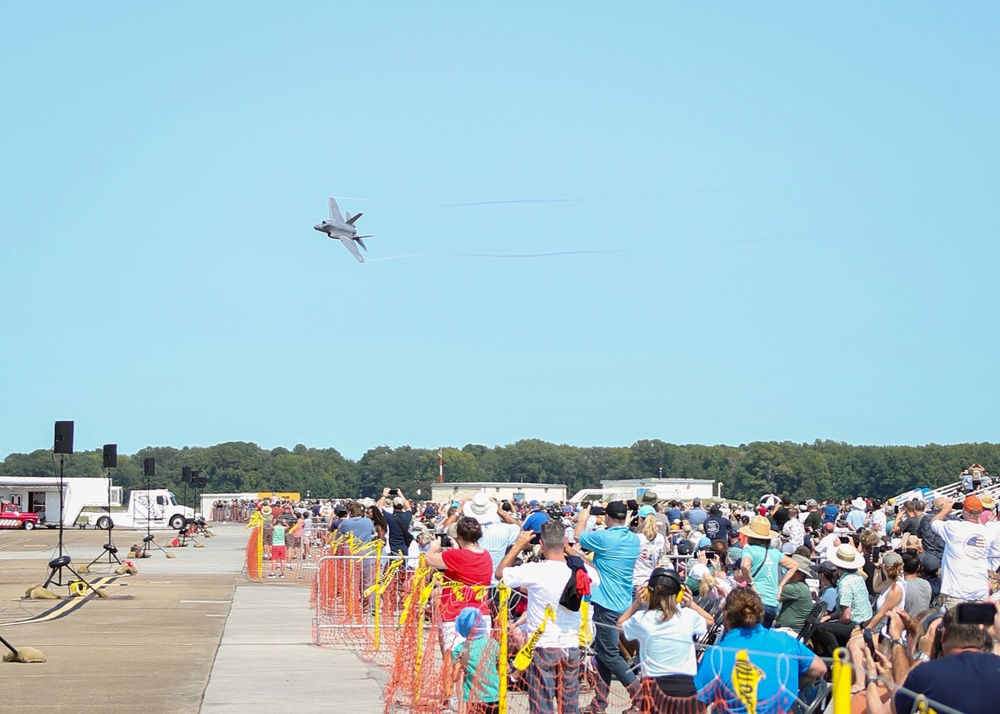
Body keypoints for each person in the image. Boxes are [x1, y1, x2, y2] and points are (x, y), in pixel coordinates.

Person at [497, 522, 599, 714]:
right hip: (569, 644)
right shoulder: (577, 571)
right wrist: (570, 550)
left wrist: (518, 546)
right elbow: (595, 574)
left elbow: (500, 573)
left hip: (542, 644)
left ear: (541, 545)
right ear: (564, 542)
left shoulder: (535, 570)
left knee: (541, 704)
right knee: (570, 704)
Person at [694, 588, 826, 714]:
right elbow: (820, 669)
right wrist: (785, 687)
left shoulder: (716, 655)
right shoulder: (785, 641)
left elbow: (695, 707)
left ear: (726, 616)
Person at [574, 500, 640, 714]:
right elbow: (603, 564)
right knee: (603, 653)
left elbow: (578, 535)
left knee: (610, 653)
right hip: (623, 602)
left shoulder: (605, 537)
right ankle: (599, 702)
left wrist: (584, 513)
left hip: (607, 604)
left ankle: (639, 695)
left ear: (608, 517)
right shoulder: (632, 540)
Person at [618, 567, 713, 706]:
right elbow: (710, 620)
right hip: (685, 688)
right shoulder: (688, 616)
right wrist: (691, 604)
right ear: (679, 594)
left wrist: (637, 603)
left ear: (648, 593)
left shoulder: (642, 618)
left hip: (654, 689)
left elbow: (619, 624)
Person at [892, 605, 1000, 714]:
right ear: (984, 637)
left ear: (943, 635)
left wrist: (923, 655)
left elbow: (896, 705)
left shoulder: (925, 673)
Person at [810, 544, 873, 657]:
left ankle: (838, 657)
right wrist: (828, 617)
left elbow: (846, 616)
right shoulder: (858, 577)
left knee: (820, 628)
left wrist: (834, 622)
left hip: (855, 624)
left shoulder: (845, 582)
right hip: (865, 621)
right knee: (825, 624)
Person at [930, 494, 995, 604]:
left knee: (954, 621)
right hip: (979, 592)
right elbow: (979, 527)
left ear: (964, 510)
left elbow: (933, 523)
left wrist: (945, 510)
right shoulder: (989, 533)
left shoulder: (953, 527)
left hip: (956, 592)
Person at [738, 515, 799, 627]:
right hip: (772, 602)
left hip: (755, 600)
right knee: (763, 637)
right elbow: (794, 565)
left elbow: (745, 565)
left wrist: (751, 583)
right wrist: (780, 586)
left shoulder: (749, 549)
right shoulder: (774, 552)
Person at [451, 607, 501, 714]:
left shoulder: (460, 649)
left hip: (473, 699)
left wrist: (460, 666)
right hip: (494, 696)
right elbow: (501, 667)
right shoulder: (493, 644)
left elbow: (454, 677)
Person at [774, 554, 816, 634]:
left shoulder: (794, 588)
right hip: (792, 630)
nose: (786, 571)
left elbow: (768, 597)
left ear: (797, 572)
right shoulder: (802, 586)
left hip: (790, 631)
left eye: (789, 569)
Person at [867, 550, 906, 637]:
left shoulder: (896, 588)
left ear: (884, 566)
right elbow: (876, 588)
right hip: (880, 627)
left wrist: (865, 630)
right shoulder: (890, 583)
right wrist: (877, 567)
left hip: (887, 632)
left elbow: (881, 613)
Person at [632, 505, 666, 592]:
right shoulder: (660, 538)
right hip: (652, 580)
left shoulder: (636, 538)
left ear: (640, 519)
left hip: (637, 581)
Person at [378, 488, 413, 557]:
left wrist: (384, 495)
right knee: (404, 565)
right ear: (402, 506)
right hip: (404, 546)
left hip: (393, 545)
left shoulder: (390, 517)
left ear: (393, 505)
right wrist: (401, 495)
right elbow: (408, 508)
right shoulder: (407, 516)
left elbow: (379, 509)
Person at [901, 549, 931, 618]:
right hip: (923, 624)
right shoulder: (926, 584)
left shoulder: (902, 586)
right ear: (918, 567)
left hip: (907, 625)